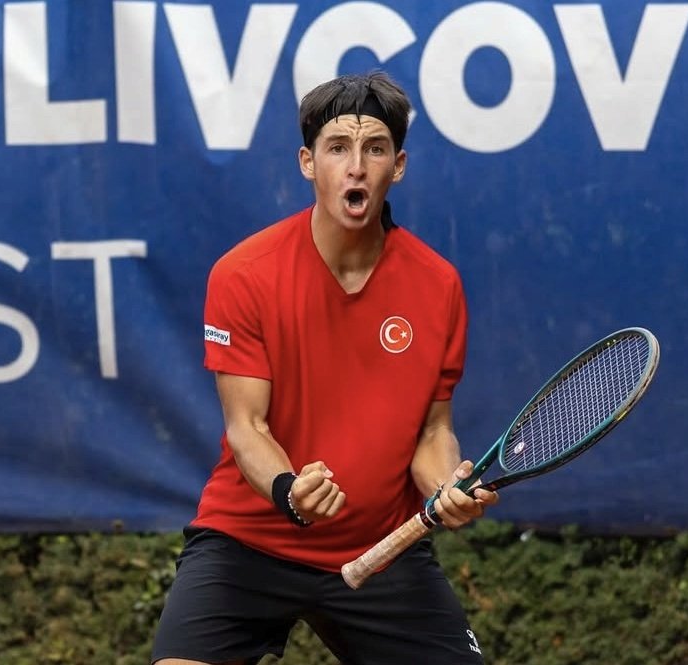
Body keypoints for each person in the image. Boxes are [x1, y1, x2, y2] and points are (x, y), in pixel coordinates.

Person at [151, 71, 498, 665]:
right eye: (339, 148)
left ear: (400, 165)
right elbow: (246, 427)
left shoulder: (438, 286)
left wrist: (445, 486)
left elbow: (432, 431)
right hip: (249, 541)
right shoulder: (243, 274)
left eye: (375, 148)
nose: (357, 166)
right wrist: (290, 490)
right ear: (308, 163)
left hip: (383, 546)